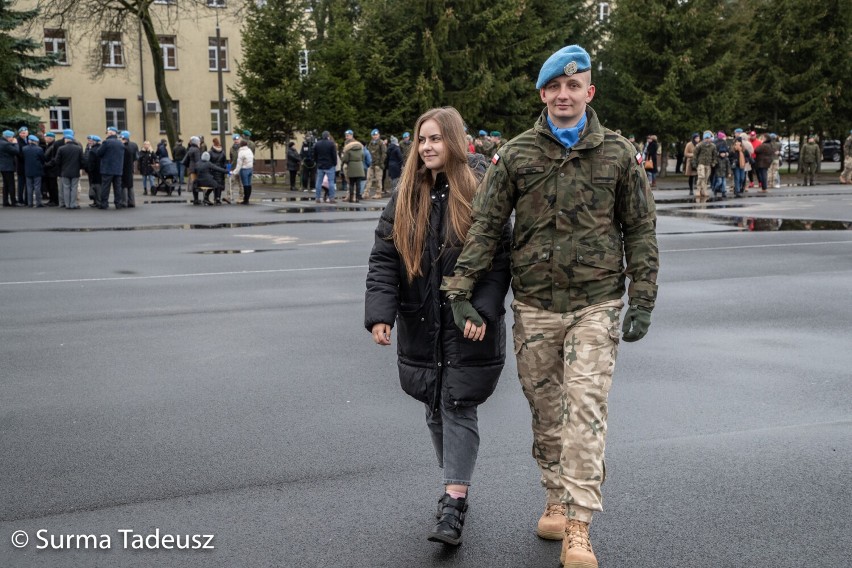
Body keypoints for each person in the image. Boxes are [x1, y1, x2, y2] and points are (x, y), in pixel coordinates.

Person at [440, 45, 658, 568]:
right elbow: (487, 226)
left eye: (573, 85)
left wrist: (643, 297)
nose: (564, 94)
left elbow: (640, 229)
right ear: (543, 94)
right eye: (554, 88)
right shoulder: (515, 155)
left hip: (596, 302)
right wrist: (459, 290)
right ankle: (555, 497)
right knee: (546, 413)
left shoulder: (619, 155)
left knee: (584, 410)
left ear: (589, 92)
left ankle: (579, 525)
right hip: (535, 306)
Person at [365, 106, 511, 547]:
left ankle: (453, 500)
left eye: (435, 138)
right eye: (421, 139)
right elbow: (384, 258)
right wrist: (380, 314)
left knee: (458, 403)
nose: (427, 147)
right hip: (421, 321)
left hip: (467, 323)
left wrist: (481, 311)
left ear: (454, 140)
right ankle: (456, 483)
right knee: (433, 405)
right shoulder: (406, 193)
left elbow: (499, 259)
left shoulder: (481, 188)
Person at [49, 129, 84, 209]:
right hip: (75, 171)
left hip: (64, 171)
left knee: (65, 188)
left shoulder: (60, 147)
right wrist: (80, 167)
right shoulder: (78, 147)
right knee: (74, 188)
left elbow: (56, 160)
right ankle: (73, 204)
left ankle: (66, 204)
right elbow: (82, 160)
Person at [95, 126, 125, 209]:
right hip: (118, 169)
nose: (107, 134)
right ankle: (118, 204)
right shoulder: (120, 143)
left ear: (111, 133)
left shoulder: (106, 142)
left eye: (107, 133)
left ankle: (104, 204)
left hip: (107, 169)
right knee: (117, 188)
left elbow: (98, 153)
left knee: (105, 187)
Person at [312, 131, 337, 204]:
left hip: (320, 165)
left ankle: (317, 198)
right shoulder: (331, 144)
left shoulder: (317, 144)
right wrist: (334, 163)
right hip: (329, 165)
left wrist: (317, 162)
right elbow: (334, 155)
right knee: (331, 182)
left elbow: (314, 155)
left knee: (319, 182)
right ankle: (331, 198)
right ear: (328, 136)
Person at [341, 129, 365, 203]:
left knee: (351, 183)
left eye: (348, 135)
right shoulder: (359, 146)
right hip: (359, 166)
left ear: (351, 135)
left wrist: (344, 161)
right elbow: (363, 157)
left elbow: (345, 158)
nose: (346, 137)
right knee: (358, 183)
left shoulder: (349, 147)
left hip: (350, 166)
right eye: (346, 135)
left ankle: (351, 197)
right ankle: (357, 197)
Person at [22, 135, 46, 207]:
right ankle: (38, 202)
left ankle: (30, 203)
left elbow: (23, 159)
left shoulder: (24, 149)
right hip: (37, 170)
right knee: (37, 187)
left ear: (29, 141)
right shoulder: (39, 149)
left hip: (28, 170)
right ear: (35, 142)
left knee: (29, 187)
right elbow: (43, 159)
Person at [1, 129, 21, 206]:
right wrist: (15, 143)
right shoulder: (6, 144)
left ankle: (5, 201)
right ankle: (13, 202)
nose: (12, 139)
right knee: (11, 184)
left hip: (3, 167)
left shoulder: (1, 142)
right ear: (8, 137)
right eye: (12, 137)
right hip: (8, 166)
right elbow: (16, 151)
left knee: (5, 184)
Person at [365, 128, 386, 198]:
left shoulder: (381, 143)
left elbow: (384, 154)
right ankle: (366, 193)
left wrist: (381, 163)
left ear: (379, 135)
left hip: (378, 164)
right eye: (373, 135)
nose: (375, 136)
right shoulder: (371, 143)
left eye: (376, 135)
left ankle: (378, 193)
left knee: (378, 179)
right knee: (368, 178)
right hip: (371, 163)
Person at [232, 140, 254, 205]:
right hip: (250, 168)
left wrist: (234, 172)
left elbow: (239, 164)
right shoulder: (249, 150)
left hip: (244, 169)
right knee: (249, 184)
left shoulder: (241, 152)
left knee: (245, 185)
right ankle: (248, 198)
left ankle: (245, 200)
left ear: (241, 145)